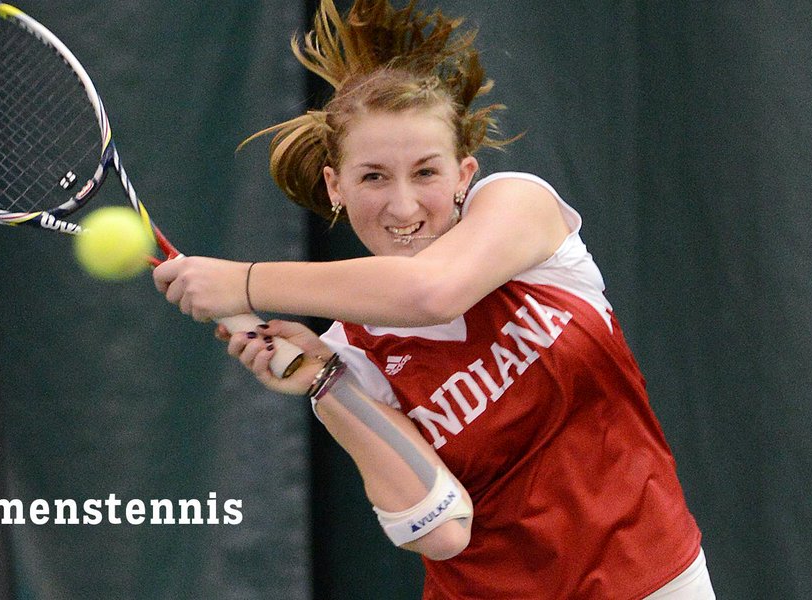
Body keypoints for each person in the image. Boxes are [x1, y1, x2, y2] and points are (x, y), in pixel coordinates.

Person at [153, 0, 714, 597]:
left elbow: (431, 293)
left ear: (464, 174)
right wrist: (326, 382)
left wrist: (242, 282)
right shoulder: (350, 353)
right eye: (373, 177)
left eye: (426, 173)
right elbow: (442, 529)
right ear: (335, 186)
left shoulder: (521, 209)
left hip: (656, 581)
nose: (402, 206)